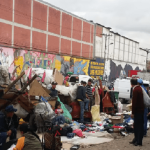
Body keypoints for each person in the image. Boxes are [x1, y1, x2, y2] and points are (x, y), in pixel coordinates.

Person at [130, 78, 144, 146]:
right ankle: (136, 140)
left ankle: (138, 141)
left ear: (131, 84)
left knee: (137, 126)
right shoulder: (140, 88)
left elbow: (134, 102)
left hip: (138, 111)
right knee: (139, 126)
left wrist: (132, 113)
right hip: (141, 110)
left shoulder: (135, 90)